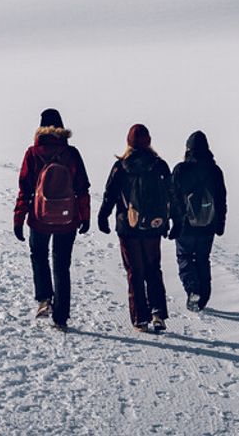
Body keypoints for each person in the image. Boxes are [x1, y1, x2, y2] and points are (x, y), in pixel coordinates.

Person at [14, 108, 90, 330]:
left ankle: (45, 298)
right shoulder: (71, 154)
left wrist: (19, 218)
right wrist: (85, 216)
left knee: (39, 255)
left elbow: (25, 189)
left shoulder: (33, 153)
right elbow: (82, 188)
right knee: (62, 264)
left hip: (40, 218)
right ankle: (61, 317)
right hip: (68, 218)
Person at [97, 123, 172, 332]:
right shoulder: (159, 165)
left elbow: (110, 194)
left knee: (134, 272)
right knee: (153, 269)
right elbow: (171, 194)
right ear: (149, 141)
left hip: (128, 226)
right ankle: (158, 313)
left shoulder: (121, 166)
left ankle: (140, 319)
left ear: (128, 142)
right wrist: (174, 220)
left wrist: (103, 216)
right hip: (153, 226)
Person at [168, 130, 227, 311]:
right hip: (208, 224)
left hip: (185, 226)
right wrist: (220, 223)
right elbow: (221, 199)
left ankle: (193, 290)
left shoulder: (180, 169)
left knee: (184, 257)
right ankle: (204, 296)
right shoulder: (215, 171)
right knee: (203, 259)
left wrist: (174, 222)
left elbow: (172, 197)